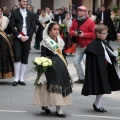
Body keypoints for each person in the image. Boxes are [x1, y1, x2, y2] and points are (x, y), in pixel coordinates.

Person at [33, 22, 72, 118]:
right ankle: (48, 106)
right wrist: (45, 66)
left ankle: (58, 108)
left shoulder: (60, 41)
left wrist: (65, 64)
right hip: (51, 67)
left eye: (58, 29)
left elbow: (63, 54)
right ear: (49, 31)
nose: (57, 31)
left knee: (61, 85)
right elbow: (43, 55)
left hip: (61, 67)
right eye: (54, 29)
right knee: (50, 86)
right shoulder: (46, 42)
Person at [82, 24, 120, 112]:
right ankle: (97, 104)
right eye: (104, 33)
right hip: (98, 70)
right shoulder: (93, 45)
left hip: (104, 69)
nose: (106, 35)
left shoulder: (103, 42)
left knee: (103, 87)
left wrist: (115, 58)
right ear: (97, 33)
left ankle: (97, 103)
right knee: (100, 87)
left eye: (106, 33)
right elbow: (92, 61)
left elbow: (108, 54)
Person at [9, 0, 36, 86]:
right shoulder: (14, 12)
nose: (25, 2)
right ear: (19, 2)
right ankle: (16, 78)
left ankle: (21, 78)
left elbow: (33, 26)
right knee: (17, 56)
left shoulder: (31, 13)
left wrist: (27, 36)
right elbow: (11, 26)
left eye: (26, 1)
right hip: (18, 38)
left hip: (27, 38)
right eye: (23, 1)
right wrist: (20, 36)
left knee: (25, 57)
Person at [70, 6, 96, 83]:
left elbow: (94, 34)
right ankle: (81, 78)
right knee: (75, 62)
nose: (79, 12)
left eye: (81, 11)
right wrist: (74, 33)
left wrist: (84, 35)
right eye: (78, 11)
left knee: (86, 61)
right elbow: (70, 30)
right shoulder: (75, 20)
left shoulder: (90, 21)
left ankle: (90, 78)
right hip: (79, 45)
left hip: (89, 45)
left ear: (85, 12)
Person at [0, 6, 14, 79]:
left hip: (3, 41)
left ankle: (3, 74)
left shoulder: (5, 19)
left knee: (4, 57)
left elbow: (9, 30)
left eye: (0, 11)